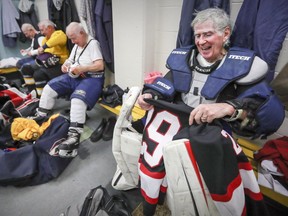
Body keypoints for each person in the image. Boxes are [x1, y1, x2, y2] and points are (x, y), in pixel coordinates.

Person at [136, 8, 284, 215]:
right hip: (179, 127)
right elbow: (165, 85)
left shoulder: (242, 65)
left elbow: (269, 114)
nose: (201, 41)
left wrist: (228, 108)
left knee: (202, 191)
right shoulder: (184, 57)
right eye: (198, 35)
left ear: (225, 34)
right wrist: (151, 96)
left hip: (213, 133)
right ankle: (164, 200)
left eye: (208, 34)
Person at [31, 22, 105, 158]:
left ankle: (74, 136)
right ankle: (41, 115)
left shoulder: (93, 44)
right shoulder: (77, 45)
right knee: (49, 87)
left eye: (74, 38)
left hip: (92, 78)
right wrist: (65, 65)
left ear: (82, 33)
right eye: (70, 38)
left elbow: (100, 65)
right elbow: (70, 60)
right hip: (74, 76)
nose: (72, 41)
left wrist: (82, 68)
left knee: (77, 100)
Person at [20, 20, 69, 97]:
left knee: (29, 70)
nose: (41, 33)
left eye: (42, 30)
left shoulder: (59, 33)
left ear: (49, 28)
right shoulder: (46, 38)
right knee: (32, 72)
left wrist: (44, 47)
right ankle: (34, 94)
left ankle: (39, 96)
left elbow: (56, 40)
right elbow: (43, 49)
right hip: (48, 62)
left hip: (59, 62)